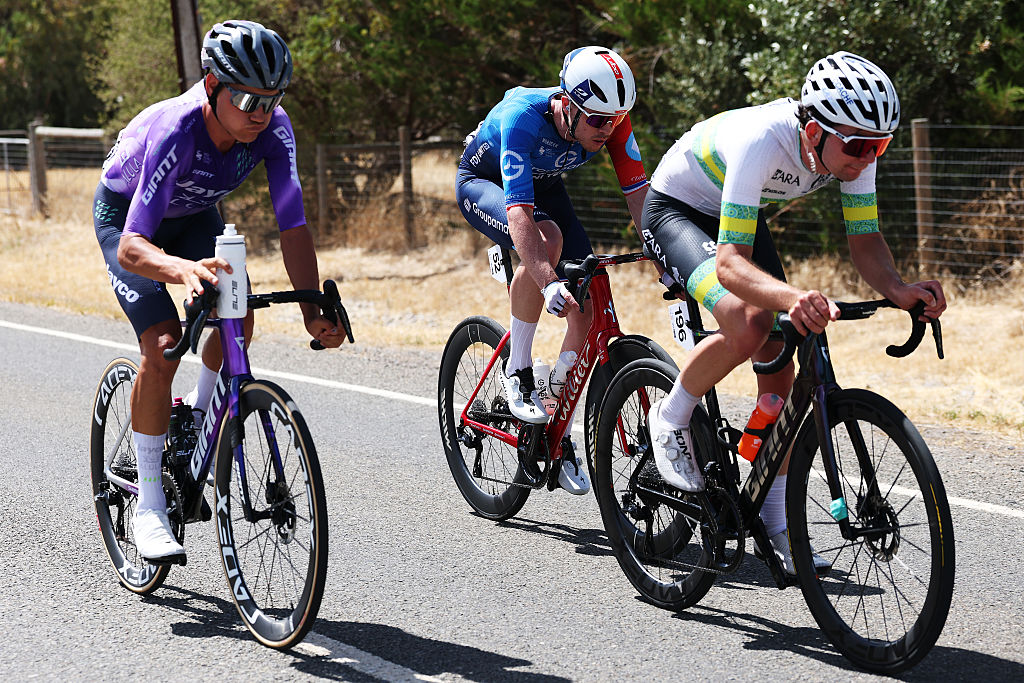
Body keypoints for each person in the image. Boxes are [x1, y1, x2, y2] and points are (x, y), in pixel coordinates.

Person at [641, 51, 946, 573]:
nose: (868, 157)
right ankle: (670, 418)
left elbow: (864, 238)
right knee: (752, 322)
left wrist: (898, 288)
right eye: (858, 146)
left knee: (782, 364)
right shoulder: (764, 140)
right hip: (678, 208)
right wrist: (790, 297)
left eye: (881, 146)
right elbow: (733, 266)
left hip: (735, 210)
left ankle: (775, 523)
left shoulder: (848, 149)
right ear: (813, 132)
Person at [94, 20, 345, 563]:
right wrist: (180, 271)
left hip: (193, 218)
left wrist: (310, 310)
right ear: (211, 86)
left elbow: (292, 226)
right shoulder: (178, 130)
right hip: (131, 224)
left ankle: (198, 419)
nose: (260, 111)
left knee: (241, 315)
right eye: (246, 97)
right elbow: (132, 246)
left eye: (271, 99)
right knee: (162, 344)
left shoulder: (274, 130)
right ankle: (150, 507)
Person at [456, 46, 650, 495]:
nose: (609, 130)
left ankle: (552, 428)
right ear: (569, 105)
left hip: (544, 187)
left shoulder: (611, 121)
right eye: (599, 121)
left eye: (616, 121)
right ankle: (519, 372)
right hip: (485, 185)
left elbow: (641, 198)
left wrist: (662, 255)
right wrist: (546, 282)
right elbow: (521, 214)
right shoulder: (524, 117)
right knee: (547, 243)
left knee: (591, 294)